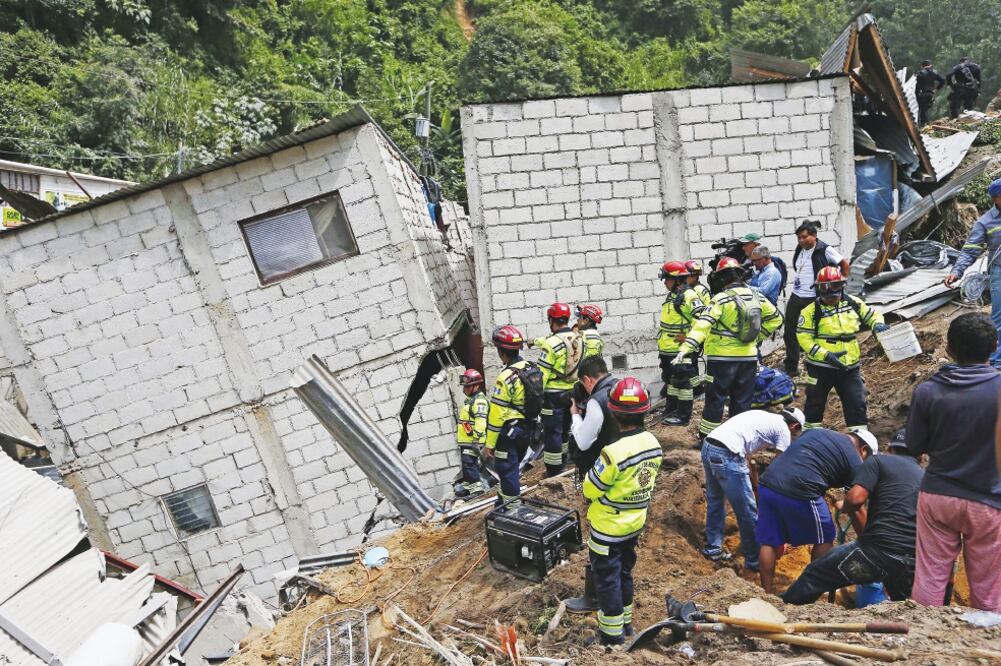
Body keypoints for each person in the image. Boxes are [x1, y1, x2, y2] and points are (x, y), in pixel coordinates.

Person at [906, 312, 1001, 612]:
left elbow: (913, 446)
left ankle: (922, 644)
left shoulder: (928, 390)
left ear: (949, 350)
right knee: (989, 585)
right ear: (995, 347)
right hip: (989, 501)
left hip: (938, 496)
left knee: (930, 577)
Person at [781, 429, 923, 604]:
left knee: (815, 574)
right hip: (912, 558)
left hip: (876, 553)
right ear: (921, 456)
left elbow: (855, 499)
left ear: (889, 448)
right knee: (901, 602)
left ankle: (785, 607)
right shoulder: (925, 477)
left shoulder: (878, 462)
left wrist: (845, 506)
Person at [581, 377, 663, 646]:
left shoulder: (612, 453)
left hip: (608, 529)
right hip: (634, 523)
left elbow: (591, 489)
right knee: (625, 572)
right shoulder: (654, 444)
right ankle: (626, 624)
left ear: (614, 413)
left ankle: (611, 635)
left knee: (607, 580)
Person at [756, 428, 877, 593]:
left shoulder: (816, 432)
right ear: (863, 451)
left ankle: (766, 593)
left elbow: (806, 460)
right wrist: (869, 542)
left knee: (769, 541)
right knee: (826, 536)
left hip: (768, 483)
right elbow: (857, 507)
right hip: (801, 489)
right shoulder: (855, 461)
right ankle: (810, 589)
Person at [674, 257, 783, 439]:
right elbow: (777, 318)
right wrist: (756, 338)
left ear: (722, 278)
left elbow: (703, 324)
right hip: (748, 358)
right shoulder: (756, 296)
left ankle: (708, 439)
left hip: (722, 359)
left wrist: (686, 348)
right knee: (742, 401)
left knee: (715, 400)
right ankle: (738, 438)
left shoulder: (721, 299)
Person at [701, 407, 805, 570]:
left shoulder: (762, 416)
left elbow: (747, 449)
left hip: (709, 446)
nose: (791, 437)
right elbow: (779, 467)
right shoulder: (783, 429)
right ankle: (754, 559)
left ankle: (713, 549)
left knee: (716, 501)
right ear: (794, 426)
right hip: (728, 454)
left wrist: (753, 481)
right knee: (748, 512)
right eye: (794, 434)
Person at [796, 267, 888, 431]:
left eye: (834, 292)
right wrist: (825, 355)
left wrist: (878, 323)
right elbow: (804, 338)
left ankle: (859, 439)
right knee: (814, 405)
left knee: (856, 404)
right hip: (820, 368)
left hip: (849, 368)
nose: (831, 297)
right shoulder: (810, 311)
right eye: (825, 292)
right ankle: (810, 437)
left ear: (841, 287)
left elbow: (872, 314)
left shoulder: (853, 303)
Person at [564, 355, 618, 614]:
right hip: (624, 471)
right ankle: (614, 589)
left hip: (603, 472)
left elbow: (584, 442)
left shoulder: (597, 401)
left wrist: (576, 415)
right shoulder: (622, 387)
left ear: (587, 379)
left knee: (599, 538)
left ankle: (594, 597)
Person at [944, 177, 1001, 368]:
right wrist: (956, 272)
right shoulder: (986, 222)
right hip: (999, 271)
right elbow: (970, 250)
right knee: (999, 317)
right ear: (996, 199)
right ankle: (995, 362)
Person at [784, 220, 850, 377]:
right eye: (798, 238)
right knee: (790, 332)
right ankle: (791, 367)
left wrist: (840, 284)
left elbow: (844, 264)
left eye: (804, 237)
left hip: (814, 297)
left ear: (814, 236)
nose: (800, 240)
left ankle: (818, 366)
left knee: (815, 333)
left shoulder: (824, 249)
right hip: (797, 296)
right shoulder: (800, 249)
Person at [484, 325, 533, 505]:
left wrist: (489, 445)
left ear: (501, 352)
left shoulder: (505, 378)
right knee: (511, 468)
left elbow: (496, 416)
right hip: (528, 428)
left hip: (510, 432)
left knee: (506, 469)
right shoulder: (531, 367)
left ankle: (513, 509)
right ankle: (503, 501)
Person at [531, 302, 581, 476]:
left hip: (553, 395)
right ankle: (564, 461)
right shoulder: (578, 339)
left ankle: (553, 470)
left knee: (553, 432)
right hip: (573, 393)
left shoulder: (551, 343)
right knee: (566, 428)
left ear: (552, 320)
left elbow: (541, 376)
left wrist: (535, 400)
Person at [657, 261, 705, 426]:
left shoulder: (689, 296)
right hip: (667, 350)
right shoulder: (673, 295)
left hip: (680, 350)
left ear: (677, 279)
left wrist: (688, 338)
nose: (665, 283)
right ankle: (671, 410)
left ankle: (683, 417)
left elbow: (703, 321)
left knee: (684, 385)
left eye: (667, 279)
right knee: (672, 383)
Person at [455, 369, 489, 497]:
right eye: (464, 386)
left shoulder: (479, 401)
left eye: (467, 386)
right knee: (466, 464)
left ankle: (477, 491)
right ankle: (469, 487)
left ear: (476, 385)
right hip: (466, 440)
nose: (465, 389)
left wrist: (476, 440)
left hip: (472, 441)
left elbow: (481, 422)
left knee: (470, 464)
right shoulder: (471, 400)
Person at [915, 59, 946, 126]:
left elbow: (917, 85)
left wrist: (917, 94)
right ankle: (925, 125)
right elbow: (943, 81)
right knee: (925, 110)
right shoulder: (934, 72)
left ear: (922, 66)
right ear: (930, 65)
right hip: (930, 94)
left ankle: (921, 126)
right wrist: (936, 89)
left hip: (922, 93)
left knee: (920, 111)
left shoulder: (920, 73)